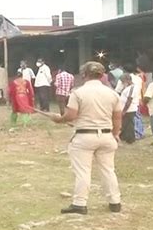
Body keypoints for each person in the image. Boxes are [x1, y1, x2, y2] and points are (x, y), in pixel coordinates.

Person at [51, 61, 122, 215]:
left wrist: (59, 119)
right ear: (102, 75)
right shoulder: (112, 93)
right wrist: (116, 134)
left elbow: (71, 116)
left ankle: (80, 203)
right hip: (106, 135)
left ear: (84, 75)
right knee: (108, 170)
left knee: (83, 171)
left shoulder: (78, 93)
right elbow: (117, 118)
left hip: (84, 136)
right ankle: (115, 202)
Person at [118, 73, 139, 144]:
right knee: (125, 124)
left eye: (123, 81)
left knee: (129, 125)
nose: (122, 83)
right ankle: (125, 137)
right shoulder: (127, 87)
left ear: (127, 80)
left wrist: (124, 111)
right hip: (125, 108)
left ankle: (130, 139)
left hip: (130, 109)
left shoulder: (132, 88)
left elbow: (129, 100)